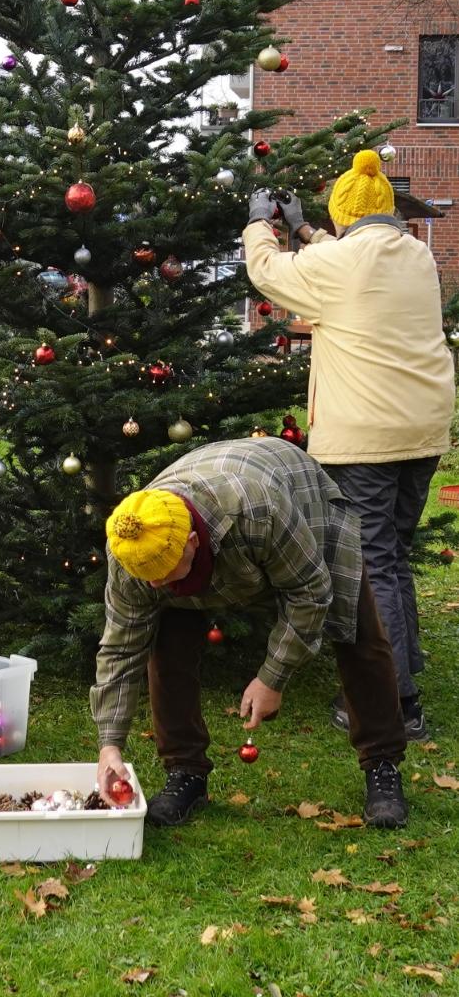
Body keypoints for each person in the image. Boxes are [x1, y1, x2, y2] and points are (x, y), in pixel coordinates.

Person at [243, 149, 454, 741]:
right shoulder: (417, 255)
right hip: (423, 430)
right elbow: (345, 256)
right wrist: (307, 228)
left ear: (343, 215)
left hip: (366, 436)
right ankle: (404, 671)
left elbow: (270, 272)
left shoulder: (337, 262)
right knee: (394, 555)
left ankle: (393, 702)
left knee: (371, 565)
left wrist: (264, 222)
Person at [92, 435, 409, 829]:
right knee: (165, 645)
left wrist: (271, 678)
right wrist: (110, 746)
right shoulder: (132, 551)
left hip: (295, 493)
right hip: (212, 513)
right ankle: (185, 772)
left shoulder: (258, 512)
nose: (154, 586)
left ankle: (382, 765)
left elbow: (310, 592)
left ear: (192, 542)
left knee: (357, 629)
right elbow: (120, 651)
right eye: (147, 577)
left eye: (163, 574)